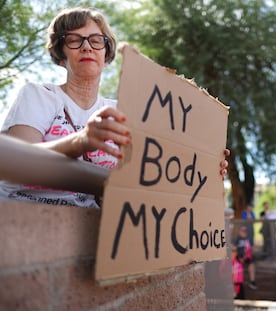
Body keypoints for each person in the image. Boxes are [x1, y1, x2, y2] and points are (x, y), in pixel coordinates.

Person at [0, 7, 229, 208]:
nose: (87, 47)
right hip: (24, 222)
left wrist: (203, 169)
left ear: (106, 55)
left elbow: (157, 172)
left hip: (95, 232)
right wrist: (81, 141)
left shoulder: (123, 111)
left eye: (96, 40)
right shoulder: (38, 95)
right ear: (61, 55)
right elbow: (19, 162)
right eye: (74, 40)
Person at [233, 225, 257, 290]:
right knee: (236, 266)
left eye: (245, 231)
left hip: (247, 256)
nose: (244, 232)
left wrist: (247, 254)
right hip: (239, 257)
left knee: (251, 265)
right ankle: (236, 284)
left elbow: (252, 249)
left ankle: (252, 282)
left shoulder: (249, 239)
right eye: (242, 231)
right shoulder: (237, 239)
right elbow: (234, 249)